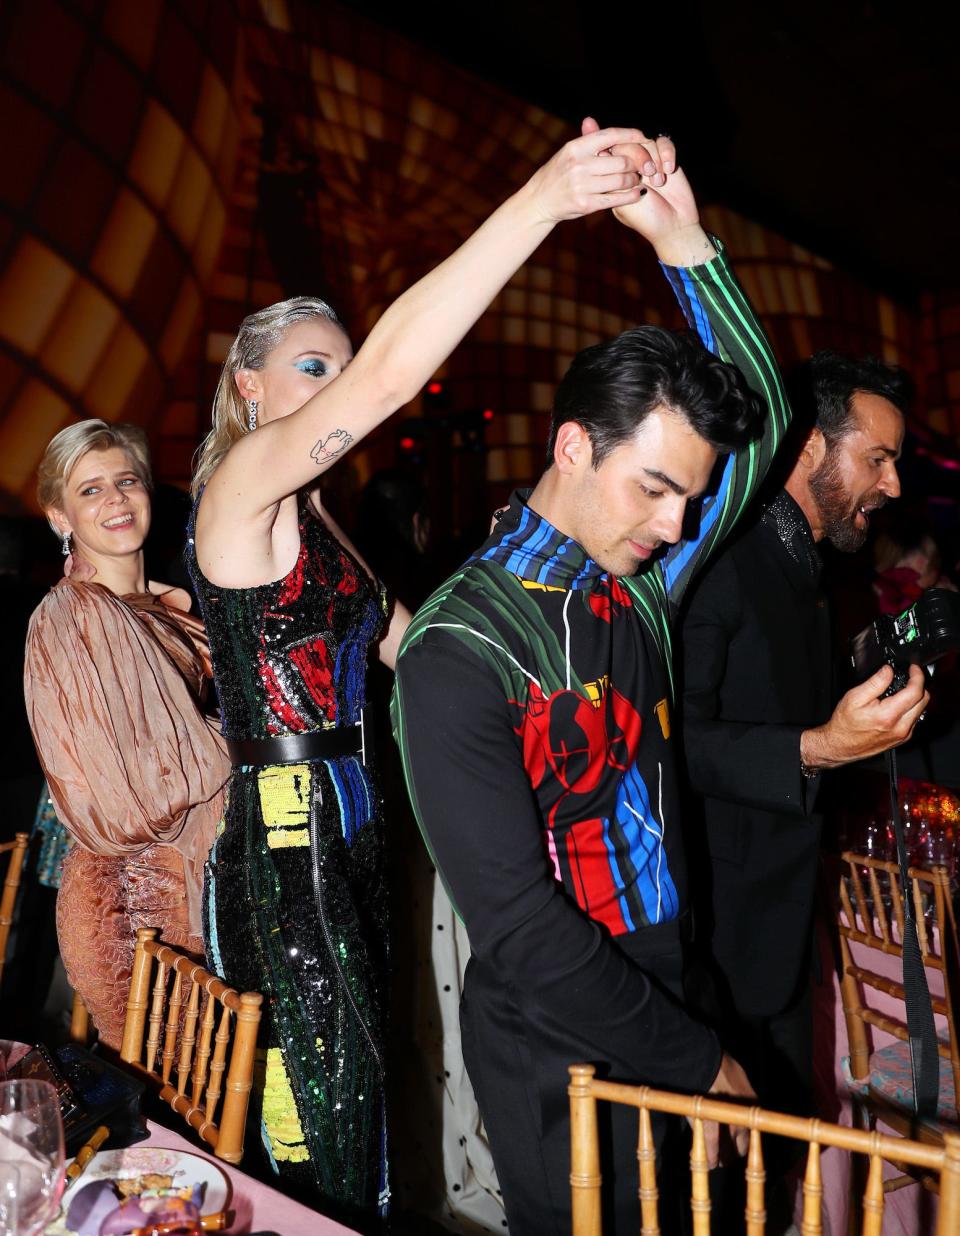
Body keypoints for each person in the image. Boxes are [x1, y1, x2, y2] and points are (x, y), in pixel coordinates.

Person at [185, 121, 650, 1221]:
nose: (341, 386)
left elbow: (420, 642)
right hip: (287, 841)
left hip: (358, 833)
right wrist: (539, 198)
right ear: (247, 388)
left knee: (370, 1110)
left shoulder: (318, 522)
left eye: (342, 367)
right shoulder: (239, 488)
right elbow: (396, 373)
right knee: (325, 1124)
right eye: (312, 367)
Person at [391, 127, 788, 1236]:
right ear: (572, 448)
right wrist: (699, 1061)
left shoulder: (636, 586)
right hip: (557, 1043)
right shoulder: (457, 648)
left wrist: (682, 239)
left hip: (674, 978)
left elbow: (762, 428)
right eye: (656, 489)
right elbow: (517, 924)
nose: (676, 528)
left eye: (685, 500)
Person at [678, 352, 928, 1130]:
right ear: (809, 448)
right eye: (877, 459)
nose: (892, 485)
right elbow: (668, 745)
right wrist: (817, 747)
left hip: (776, 927)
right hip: (713, 940)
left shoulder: (807, 572)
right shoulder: (719, 564)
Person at [23, 420, 229, 1049]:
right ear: (60, 515)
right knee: (173, 1114)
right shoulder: (73, 616)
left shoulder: (171, 605)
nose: (114, 498)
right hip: (133, 908)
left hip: (193, 882)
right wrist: (257, 746)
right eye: (90, 491)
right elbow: (130, 800)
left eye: (126, 481)